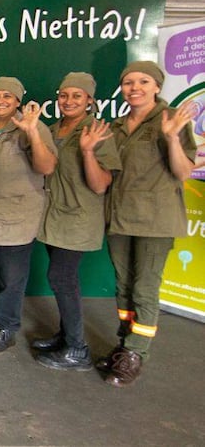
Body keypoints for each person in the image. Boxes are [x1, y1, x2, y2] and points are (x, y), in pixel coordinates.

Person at [99, 61, 196, 387]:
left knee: (144, 289)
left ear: (156, 86)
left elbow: (183, 172)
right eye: (128, 83)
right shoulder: (116, 126)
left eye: (142, 81)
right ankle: (125, 346)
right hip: (120, 217)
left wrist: (170, 139)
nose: (134, 88)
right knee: (124, 287)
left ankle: (136, 354)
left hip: (155, 220)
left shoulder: (172, 121)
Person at [32, 72, 121, 371]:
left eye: (76, 96)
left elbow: (100, 185)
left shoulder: (97, 131)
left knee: (61, 278)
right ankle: (66, 335)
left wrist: (86, 151)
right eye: (64, 95)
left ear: (90, 101)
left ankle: (77, 349)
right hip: (52, 215)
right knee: (62, 280)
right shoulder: (52, 129)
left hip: (79, 217)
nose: (68, 101)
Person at [0, 77, 57, 354]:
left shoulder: (29, 128)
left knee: (11, 277)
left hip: (16, 217)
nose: (1, 101)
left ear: (18, 101)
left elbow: (46, 167)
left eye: (8, 96)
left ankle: (6, 327)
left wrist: (31, 132)